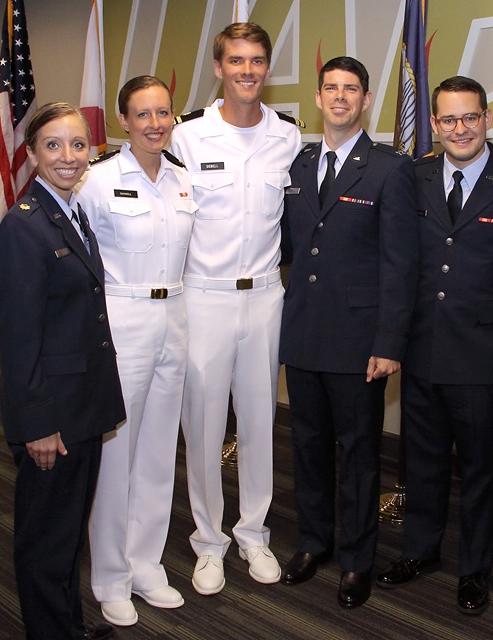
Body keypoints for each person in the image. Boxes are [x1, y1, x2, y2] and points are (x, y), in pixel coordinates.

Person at [376, 76, 493, 615]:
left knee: (476, 470)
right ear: (434, 125)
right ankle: (421, 551)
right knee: (420, 462)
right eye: (448, 120)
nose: (460, 129)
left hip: (481, 354)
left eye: (470, 117)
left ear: (487, 119)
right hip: (422, 349)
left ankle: (474, 568)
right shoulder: (414, 176)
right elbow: (400, 262)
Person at [278, 56, 418, 608]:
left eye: (351, 89)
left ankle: (358, 559)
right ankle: (315, 542)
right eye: (330, 88)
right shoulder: (297, 163)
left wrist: (389, 342)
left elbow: (400, 263)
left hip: (359, 340)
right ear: (318, 98)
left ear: (364, 101)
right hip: (304, 331)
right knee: (308, 446)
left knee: (358, 454)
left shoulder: (388, 168)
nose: (340, 97)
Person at [169, 22, 302, 596]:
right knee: (201, 425)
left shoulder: (288, 137)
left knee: (258, 420)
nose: (247, 71)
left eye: (257, 61)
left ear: (266, 69)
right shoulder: (188, 138)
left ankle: (253, 532)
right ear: (219, 68)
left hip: (266, 296)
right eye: (236, 61)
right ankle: (208, 542)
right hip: (205, 296)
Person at [0, 102, 122, 640]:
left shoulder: (68, 211)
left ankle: (66, 625)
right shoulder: (23, 228)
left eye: (77, 145)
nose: (67, 156)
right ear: (31, 153)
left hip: (82, 404)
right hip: (54, 416)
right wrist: (37, 423)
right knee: (46, 540)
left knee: (68, 533)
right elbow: (18, 341)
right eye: (52, 145)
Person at [78, 76, 195, 626]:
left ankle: (145, 562)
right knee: (116, 454)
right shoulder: (98, 182)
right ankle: (110, 575)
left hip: (174, 318)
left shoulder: (181, 180)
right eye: (142, 114)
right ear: (124, 121)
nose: (155, 124)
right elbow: (70, 251)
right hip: (122, 321)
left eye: (163, 113)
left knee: (156, 452)